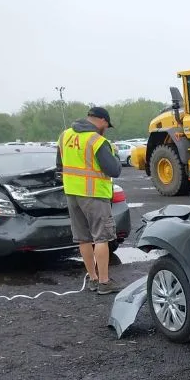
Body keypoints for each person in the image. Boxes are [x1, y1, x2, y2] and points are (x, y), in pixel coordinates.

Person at [56, 106, 123, 294]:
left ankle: (93, 279)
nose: (106, 129)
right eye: (107, 125)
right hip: (94, 195)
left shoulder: (65, 136)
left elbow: (59, 166)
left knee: (83, 238)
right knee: (101, 237)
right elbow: (114, 170)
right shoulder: (96, 140)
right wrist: (115, 154)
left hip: (72, 194)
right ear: (102, 120)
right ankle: (104, 282)